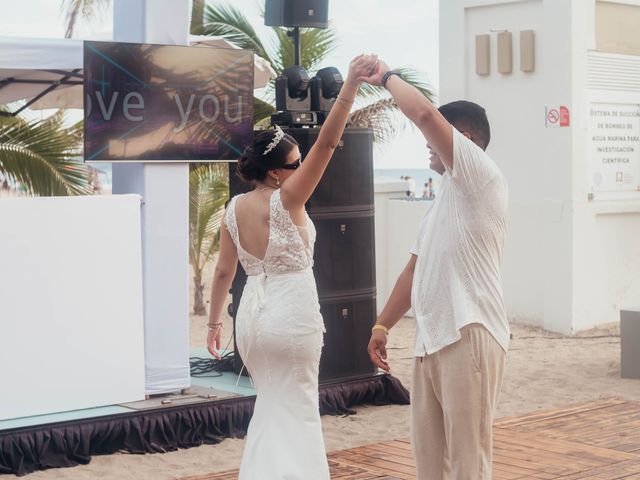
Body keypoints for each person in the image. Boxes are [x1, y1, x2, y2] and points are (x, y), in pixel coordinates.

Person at [206, 54, 378, 480]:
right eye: (295, 164)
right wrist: (350, 87)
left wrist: (213, 325)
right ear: (278, 173)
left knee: (270, 403)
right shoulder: (289, 198)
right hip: (289, 317)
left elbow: (225, 274)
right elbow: (327, 144)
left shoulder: (233, 208)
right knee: (298, 405)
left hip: (250, 321)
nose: (302, 168)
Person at [364, 62, 510, 479]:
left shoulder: (481, 176)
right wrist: (382, 326)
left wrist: (385, 76)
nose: (426, 144)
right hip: (432, 340)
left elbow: (425, 115)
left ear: (462, 140)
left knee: (468, 461)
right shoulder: (444, 195)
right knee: (430, 463)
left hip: (470, 332)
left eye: (435, 137)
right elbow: (414, 269)